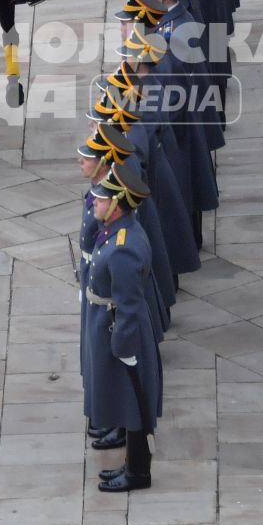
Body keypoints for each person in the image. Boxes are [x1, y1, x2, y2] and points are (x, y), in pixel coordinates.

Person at [81, 159, 160, 492]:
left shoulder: (124, 247)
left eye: (101, 199)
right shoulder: (117, 232)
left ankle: (138, 471)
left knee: (135, 402)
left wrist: (123, 348)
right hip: (111, 324)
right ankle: (131, 464)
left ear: (116, 205)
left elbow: (127, 303)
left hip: (120, 330)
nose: (95, 202)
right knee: (127, 400)